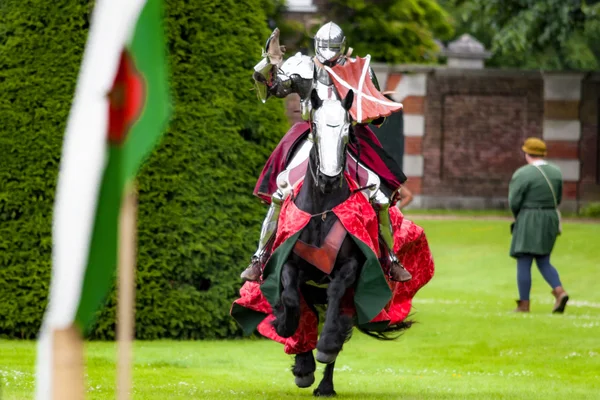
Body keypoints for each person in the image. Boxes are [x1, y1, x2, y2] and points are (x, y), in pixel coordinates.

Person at [241, 22, 412, 283]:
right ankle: (260, 256)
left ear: (342, 47)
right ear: (317, 46)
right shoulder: (304, 67)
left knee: (379, 196)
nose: (329, 52)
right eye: (325, 46)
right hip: (312, 135)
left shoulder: (358, 69)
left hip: (348, 138)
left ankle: (390, 259)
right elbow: (274, 89)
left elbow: (372, 111)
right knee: (280, 192)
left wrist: (375, 108)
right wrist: (269, 63)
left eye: (334, 47)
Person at [508, 137, 569, 313]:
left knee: (524, 260)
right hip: (550, 217)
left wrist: (519, 217)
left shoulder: (522, 173)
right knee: (543, 260)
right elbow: (558, 198)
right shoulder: (556, 172)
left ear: (526, 153)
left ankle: (524, 304)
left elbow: (514, 201)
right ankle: (559, 292)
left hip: (529, 217)